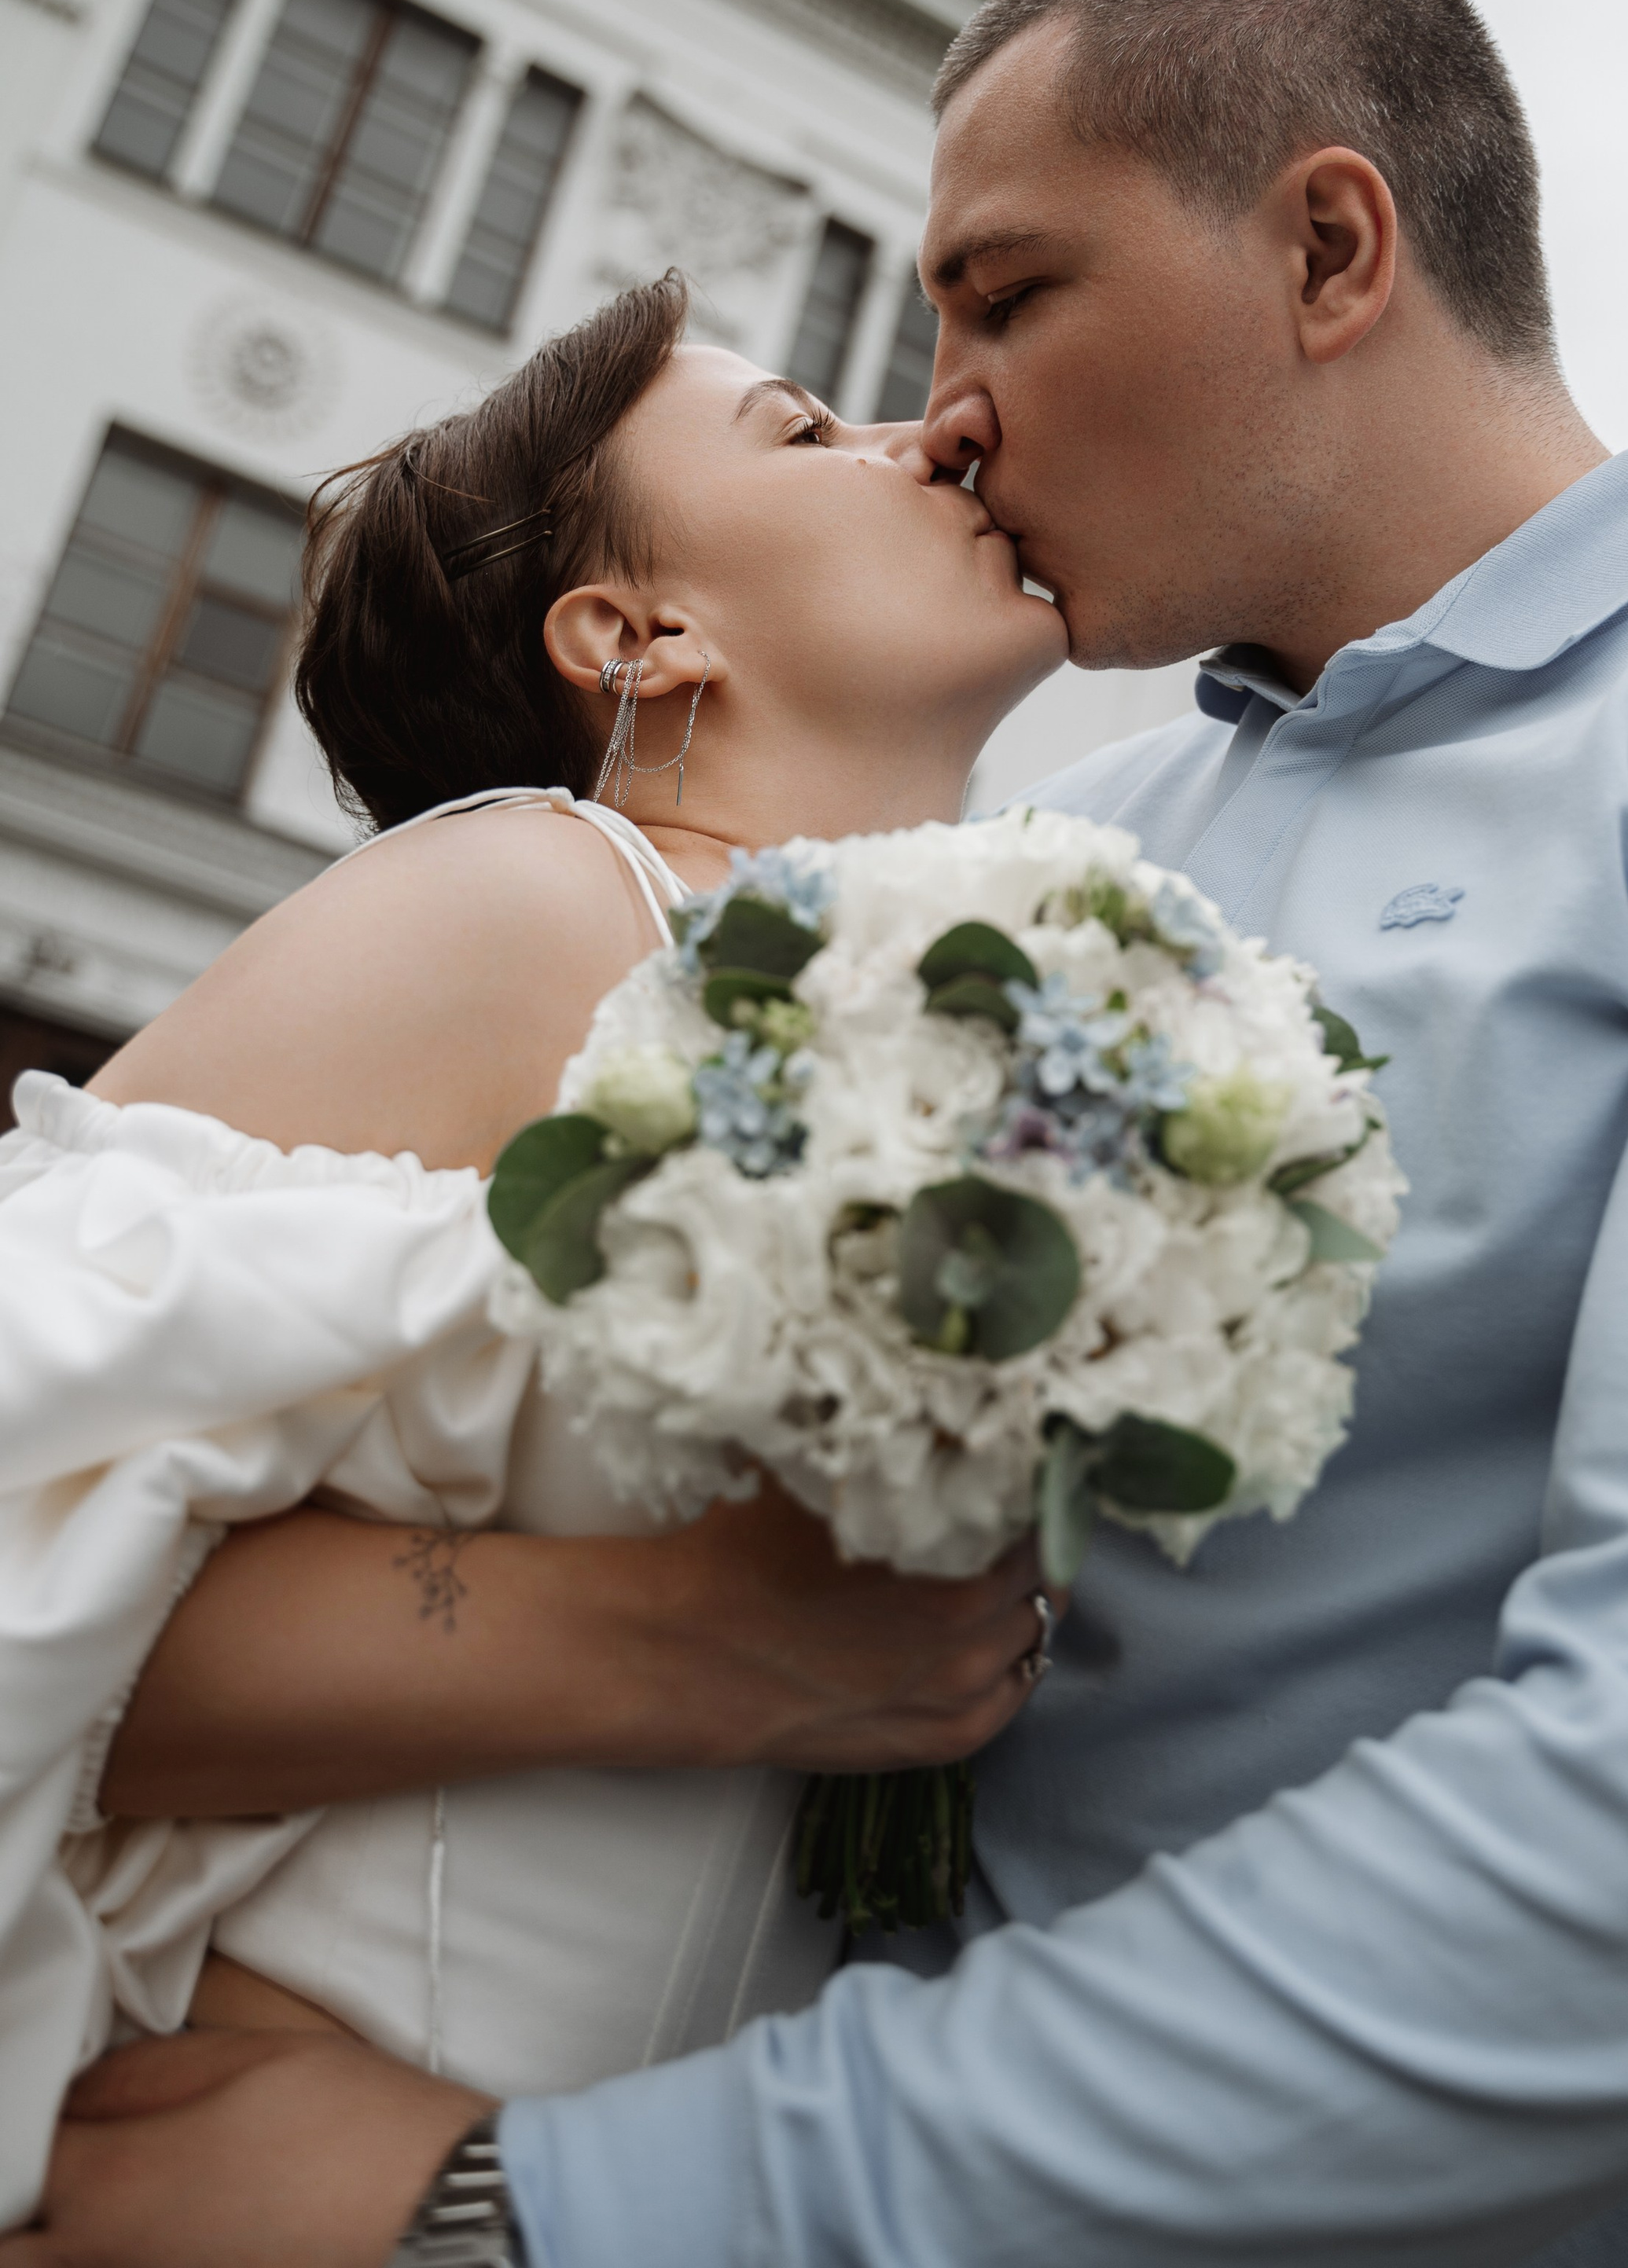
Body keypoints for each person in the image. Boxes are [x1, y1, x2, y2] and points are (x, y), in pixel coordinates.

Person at [11, 0, 1628, 2268]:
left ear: (1334, 249)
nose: (943, 408)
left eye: (1007, 292)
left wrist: (533, 2207)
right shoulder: (1049, 864)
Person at [0, 277, 1064, 2215]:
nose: (929, 438)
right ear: (636, 633)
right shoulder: (527, 902)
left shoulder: (1011, 1020)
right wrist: (708, 1646)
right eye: (807, 431)